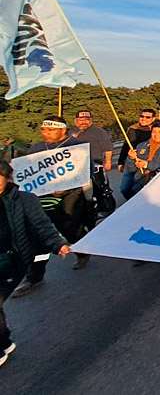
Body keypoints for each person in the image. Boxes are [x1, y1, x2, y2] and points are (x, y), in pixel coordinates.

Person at [0, 159, 70, 367]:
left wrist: (57, 244)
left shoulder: (25, 200)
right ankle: (4, 341)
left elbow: (41, 225)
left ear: (7, 178)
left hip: (13, 260)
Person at [11, 117, 88, 297]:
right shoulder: (36, 149)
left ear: (63, 130)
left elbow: (86, 171)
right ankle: (34, 277)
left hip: (70, 193)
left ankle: (82, 250)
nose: (45, 133)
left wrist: (67, 188)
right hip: (42, 196)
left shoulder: (77, 146)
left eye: (50, 130)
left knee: (68, 227)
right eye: (43, 130)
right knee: (37, 234)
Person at [119, 109, 155, 199]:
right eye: (142, 116)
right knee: (124, 188)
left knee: (138, 188)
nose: (144, 119)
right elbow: (126, 145)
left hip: (144, 162)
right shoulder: (132, 128)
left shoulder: (154, 130)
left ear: (153, 119)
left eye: (147, 117)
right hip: (131, 160)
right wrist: (121, 162)